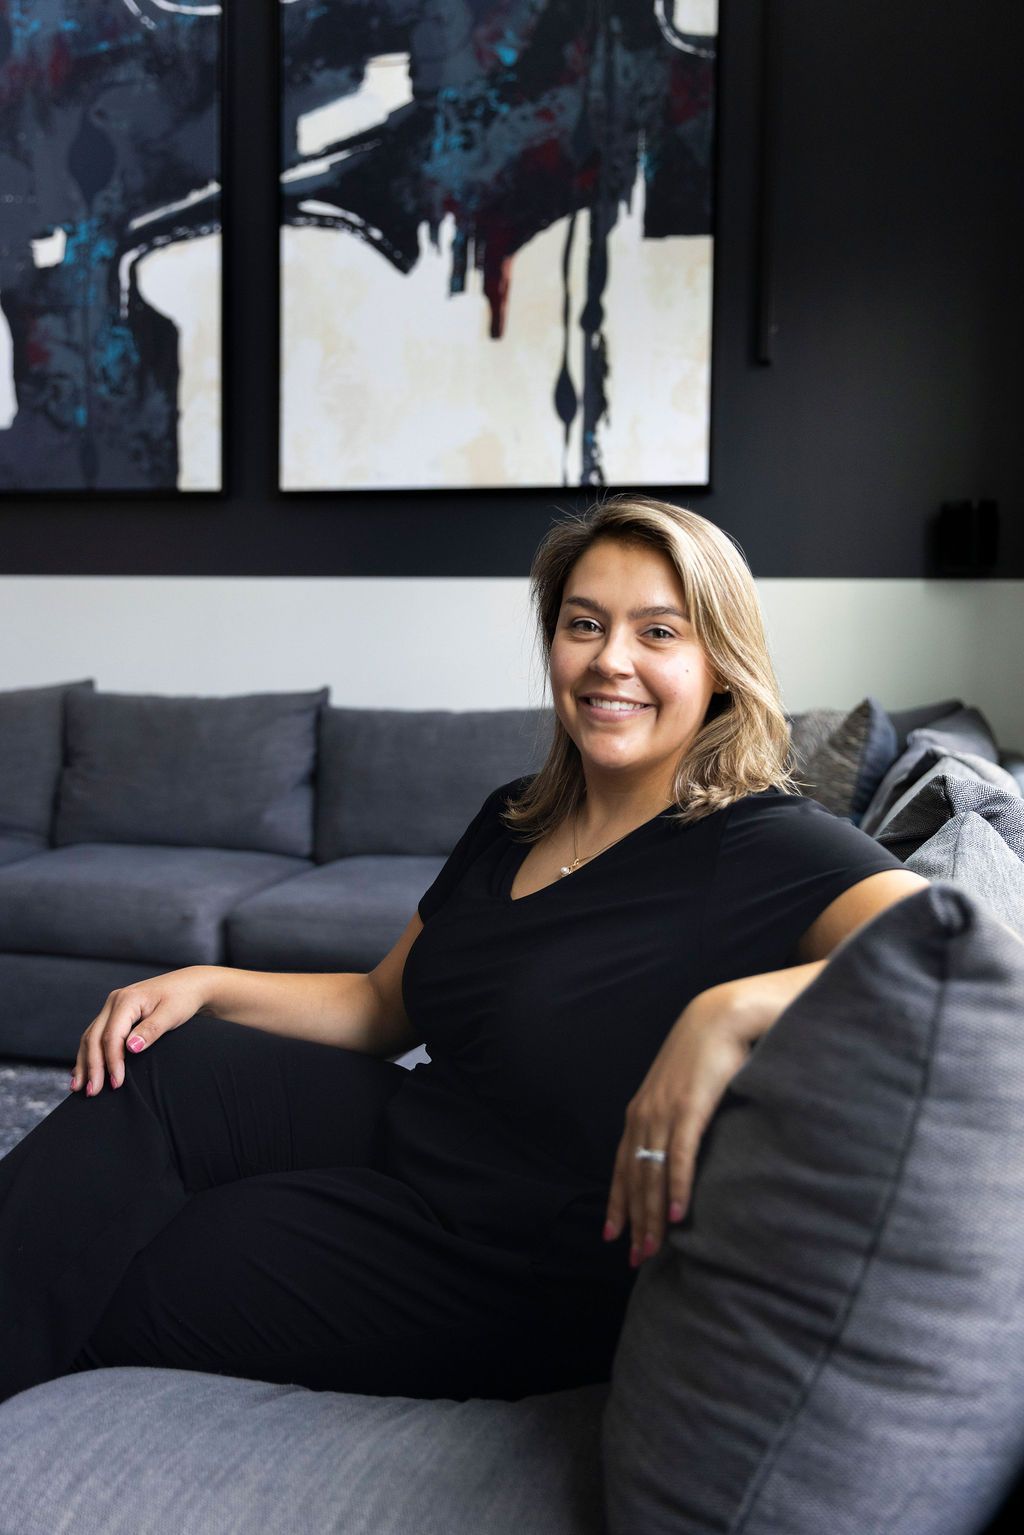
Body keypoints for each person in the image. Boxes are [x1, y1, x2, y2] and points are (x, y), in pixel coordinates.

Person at [0, 496, 924, 1409]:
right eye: (585, 624)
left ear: (720, 663)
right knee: (158, 1069)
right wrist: (204, 981)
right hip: (421, 1134)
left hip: (516, 1254)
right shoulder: (518, 813)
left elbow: (961, 958)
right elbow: (377, 1007)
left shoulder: (760, 841)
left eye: (658, 633)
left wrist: (729, 1011)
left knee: (143, 1270)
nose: (610, 659)